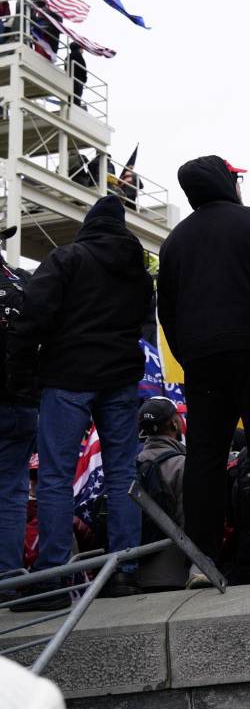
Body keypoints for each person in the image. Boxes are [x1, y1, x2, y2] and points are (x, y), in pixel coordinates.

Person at [158, 156, 250, 587]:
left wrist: (189, 356)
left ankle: (201, 560)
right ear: (227, 182)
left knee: (204, 457)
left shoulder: (175, 241)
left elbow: (166, 311)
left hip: (202, 360)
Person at [8, 196, 153, 609]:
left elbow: (32, 315)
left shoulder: (68, 259)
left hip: (67, 377)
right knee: (123, 473)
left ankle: (51, 578)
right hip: (121, 380)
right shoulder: (138, 273)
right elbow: (143, 321)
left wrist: (22, 373)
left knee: (55, 476)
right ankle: (123, 571)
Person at [0, 227, 37, 588]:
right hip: (20, 403)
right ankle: (8, 576)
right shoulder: (23, 284)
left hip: (19, 404)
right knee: (11, 490)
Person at [134, 396, 188, 591]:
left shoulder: (129, 466)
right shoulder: (182, 464)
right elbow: (189, 522)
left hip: (136, 573)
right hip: (176, 574)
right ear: (174, 423)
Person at [67, 42, 86, 109]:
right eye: (82, 49)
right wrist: (84, 79)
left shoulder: (68, 57)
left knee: (70, 97)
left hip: (69, 79)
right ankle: (75, 108)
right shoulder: (78, 56)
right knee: (76, 98)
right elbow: (83, 68)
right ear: (78, 48)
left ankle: (70, 107)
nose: (83, 51)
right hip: (77, 80)